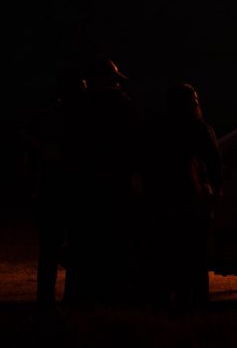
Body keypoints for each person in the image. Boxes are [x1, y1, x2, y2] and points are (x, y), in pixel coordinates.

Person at [64, 58, 144, 305]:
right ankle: (116, 295)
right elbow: (138, 146)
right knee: (117, 243)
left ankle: (83, 296)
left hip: (86, 187)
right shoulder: (125, 107)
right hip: (118, 186)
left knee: (86, 245)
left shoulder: (79, 108)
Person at [150, 83, 222, 311]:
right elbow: (214, 161)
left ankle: (173, 300)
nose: (198, 103)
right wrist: (216, 191)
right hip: (192, 201)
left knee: (170, 254)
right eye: (195, 99)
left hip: (164, 201)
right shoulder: (199, 128)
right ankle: (198, 302)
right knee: (196, 256)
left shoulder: (158, 128)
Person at [23, 67, 86, 307]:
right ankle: (68, 299)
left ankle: (46, 300)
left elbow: (32, 150)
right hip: (71, 192)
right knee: (73, 249)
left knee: (50, 250)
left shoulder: (47, 117)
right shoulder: (81, 119)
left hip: (53, 191)